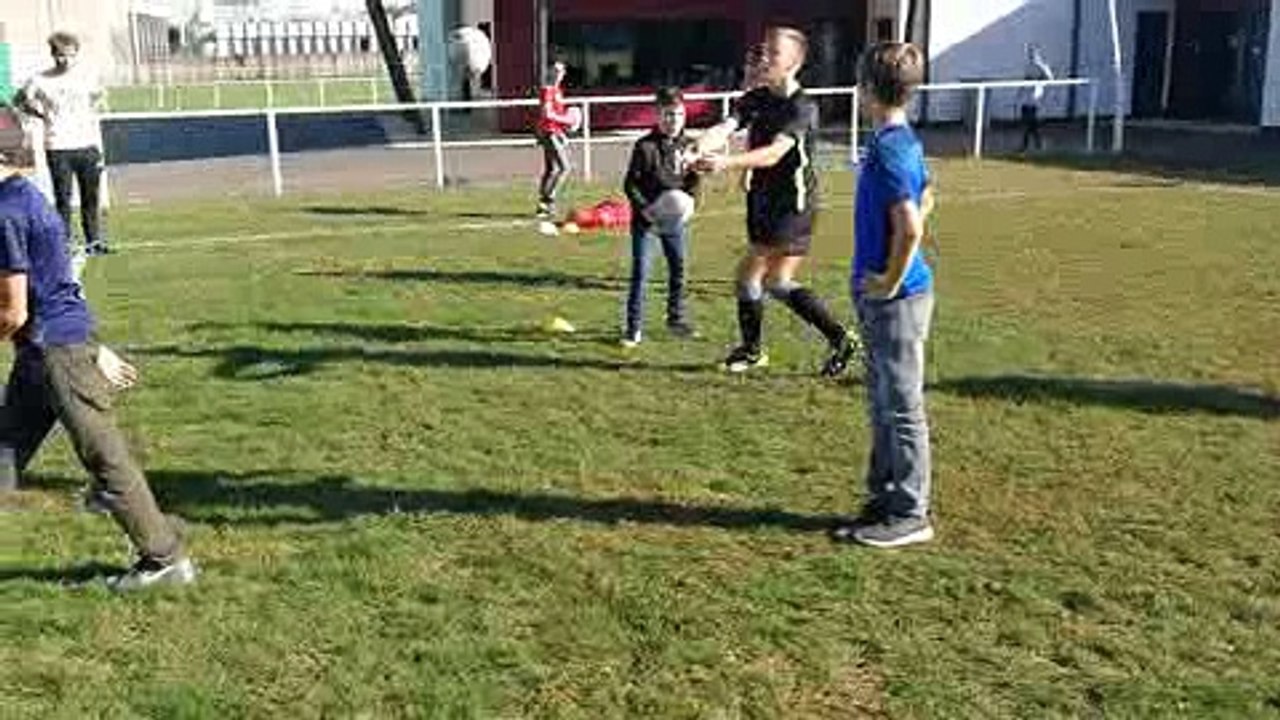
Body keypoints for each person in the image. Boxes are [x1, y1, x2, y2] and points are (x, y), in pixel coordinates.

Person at [0, 109, 196, 590]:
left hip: (55, 352)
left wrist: (83, 349)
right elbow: (56, 282)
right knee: (3, 450)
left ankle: (163, 559)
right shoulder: (23, 197)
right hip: (47, 351)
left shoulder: (5, 210)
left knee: (106, 460)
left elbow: (14, 310)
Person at [693, 26, 857, 377]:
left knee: (747, 276)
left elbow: (774, 154)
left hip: (791, 207)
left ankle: (752, 351)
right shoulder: (758, 97)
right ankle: (840, 338)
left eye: (773, 54)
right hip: (764, 201)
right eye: (763, 51)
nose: (764, 58)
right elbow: (726, 125)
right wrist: (697, 146)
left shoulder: (803, 107)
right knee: (777, 282)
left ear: (794, 63)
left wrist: (726, 163)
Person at [831, 42, 937, 548]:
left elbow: (911, 226)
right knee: (881, 401)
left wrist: (890, 280)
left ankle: (911, 512)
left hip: (897, 299)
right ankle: (886, 497)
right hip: (883, 294)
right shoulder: (899, 142)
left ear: (868, 90)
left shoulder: (893, 148)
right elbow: (929, 195)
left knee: (900, 404)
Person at [13, 31, 111, 256]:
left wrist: (90, 112)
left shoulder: (88, 76)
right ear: (52, 54)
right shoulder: (39, 80)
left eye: (68, 55)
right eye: (59, 55)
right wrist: (38, 114)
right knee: (63, 198)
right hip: (58, 146)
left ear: (76, 54)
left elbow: (99, 97)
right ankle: (64, 243)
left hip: (87, 145)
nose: (64, 60)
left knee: (90, 197)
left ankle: (93, 240)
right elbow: (19, 99)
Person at [621, 87, 700, 347]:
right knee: (641, 273)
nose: (673, 120)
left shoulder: (689, 146)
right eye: (667, 114)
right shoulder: (645, 146)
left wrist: (690, 205)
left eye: (678, 114)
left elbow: (693, 183)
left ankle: (675, 319)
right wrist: (646, 211)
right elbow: (630, 185)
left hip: (674, 222)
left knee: (678, 270)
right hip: (647, 223)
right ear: (657, 115)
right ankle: (633, 329)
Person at [535, 61, 577, 220]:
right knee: (565, 167)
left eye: (560, 70)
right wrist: (567, 120)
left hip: (554, 131)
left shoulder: (558, 90)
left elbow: (556, 115)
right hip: (548, 132)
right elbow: (547, 114)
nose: (558, 73)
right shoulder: (547, 90)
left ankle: (542, 206)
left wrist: (563, 130)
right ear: (550, 72)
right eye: (555, 70)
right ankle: (548, 201)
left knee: (551, 169)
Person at [1020, 45, 1054, 153]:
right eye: (1030, 53)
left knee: (1031, 123)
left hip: (1035, 99)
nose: (1031, 55)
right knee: (1028, 124)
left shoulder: (1042, 66)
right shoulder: (1028, 66)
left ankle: (1027, 145)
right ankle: (1036, 145)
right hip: (1026, 99)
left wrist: (1040, 79)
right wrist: (1019, 93)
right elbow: (1024, 80)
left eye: (1033, 53)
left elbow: (1050, 79)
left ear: (1038, 54)